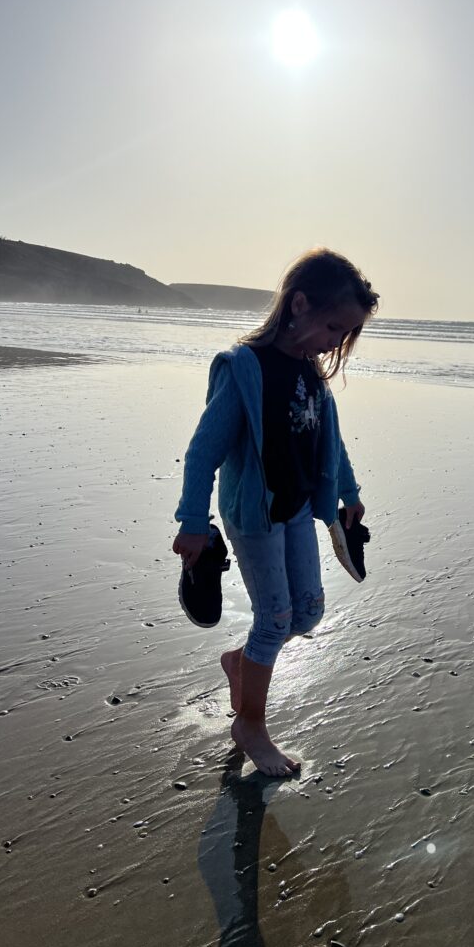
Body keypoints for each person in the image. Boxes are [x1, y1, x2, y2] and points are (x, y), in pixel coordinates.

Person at [172, 248, 378, 776]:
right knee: (275, 618)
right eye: (334, 326)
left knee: (308, 611)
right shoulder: (245, 369)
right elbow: (202, 452)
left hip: (295, 511)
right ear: (300, 303)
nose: (337, 341)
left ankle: (240, 664)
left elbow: (331, 442)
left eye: (346, 334)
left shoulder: (311, 372)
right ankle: (251, 725)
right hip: (254, 515)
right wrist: (193, 523)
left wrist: (348, 491)